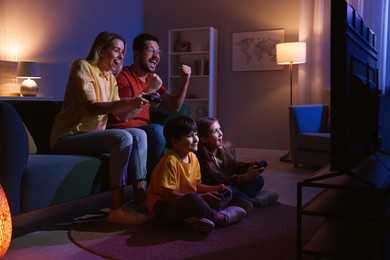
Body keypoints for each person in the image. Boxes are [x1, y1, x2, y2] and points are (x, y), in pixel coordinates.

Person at [50, 31, 151, 225]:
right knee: (123, 138)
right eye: (116, 50)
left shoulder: (110, 78)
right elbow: (92, 106)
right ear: (100, 50)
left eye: (123, 52)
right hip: (68, 137)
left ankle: (140, 199)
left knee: (139, 133)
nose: (121, 56)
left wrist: (139, 102)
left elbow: (122, 115)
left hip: (92, 137)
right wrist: (128, 101)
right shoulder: (82, 67)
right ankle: (116, 208)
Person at [107, 33, 192, 181]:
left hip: (143, 133)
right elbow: (125, 115)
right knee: (156, 131)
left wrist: (185, 80)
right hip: (123, 131)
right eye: (151, 50)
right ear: (137, 54)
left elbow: (174, 106)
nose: (156, 56)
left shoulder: (151, 79)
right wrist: (149, 90)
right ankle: (153, 183)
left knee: (186, 131)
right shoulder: (123, 77)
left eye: (158, 52)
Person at [147, 116, 246, 235]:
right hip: (162, 210)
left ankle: (193, 220)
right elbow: (169, 196)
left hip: (185, 204)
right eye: (190, 136)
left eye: (196, 134)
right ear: (175, 141)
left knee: (226, 190)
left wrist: (217, 188)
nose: (196, 139)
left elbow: (196, 186)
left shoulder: (193, 157)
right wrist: (202, 197)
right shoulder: (170, 161)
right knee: (192, 198)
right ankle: (219, 218)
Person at [195, 116, 279, 212]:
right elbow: (217, 180)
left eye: (220, 129)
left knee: (258, 180)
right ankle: (253, 201)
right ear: (204, 139)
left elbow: (234, 166)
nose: (220, 134)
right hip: (219, 188)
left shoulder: (226, 147)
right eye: (215, 131)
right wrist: (243, 177)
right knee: (230, 190)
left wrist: (250, 166)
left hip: (231, 183)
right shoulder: (200, 158)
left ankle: (239, 200)